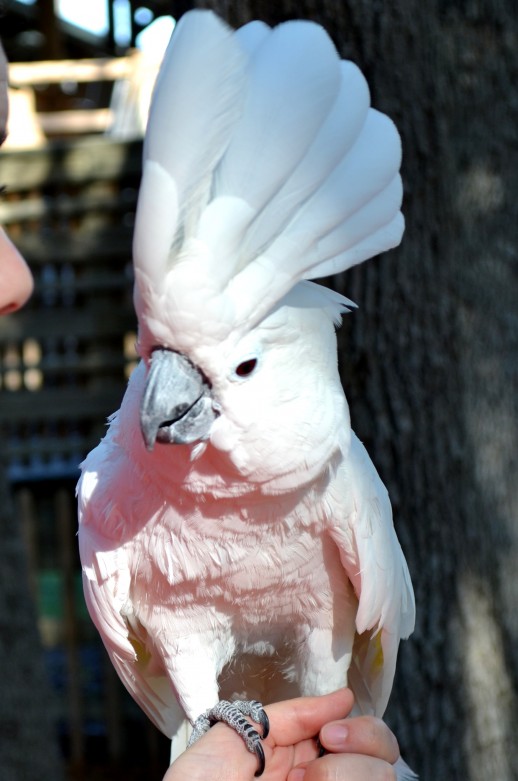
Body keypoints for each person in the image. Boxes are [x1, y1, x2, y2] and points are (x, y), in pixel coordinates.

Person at [1, 42, 400, 781]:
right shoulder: (112, 493)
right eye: (156, 354)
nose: (166, 396)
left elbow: (369, 643)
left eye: (239, 366)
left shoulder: (340, 478)